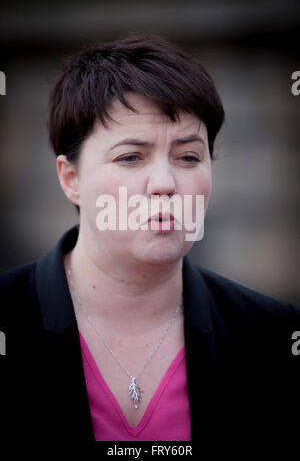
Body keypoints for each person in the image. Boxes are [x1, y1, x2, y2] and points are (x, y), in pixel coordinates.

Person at [0, 34, 299, 448]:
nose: (164, 183)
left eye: (188, 157)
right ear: (71, 179)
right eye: (130, 157)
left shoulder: (269, 334)